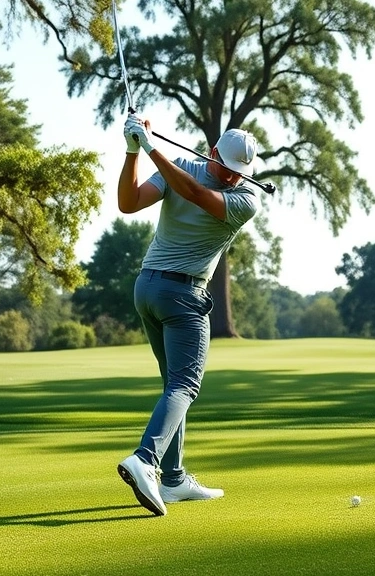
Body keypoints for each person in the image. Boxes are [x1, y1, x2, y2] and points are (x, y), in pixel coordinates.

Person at [115, 113, 262, 516]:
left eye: (240, 172)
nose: (232, 177)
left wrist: (148, 147)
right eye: (227, 168)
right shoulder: (179, 166)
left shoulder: (246, 200)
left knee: (172, 387)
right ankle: (146, 459)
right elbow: (128, 204)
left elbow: (198, 195)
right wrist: (132, 152)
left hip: (150, 289)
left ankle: (175, 479)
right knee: (185, 387)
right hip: (179, 296)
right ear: (212, 152)